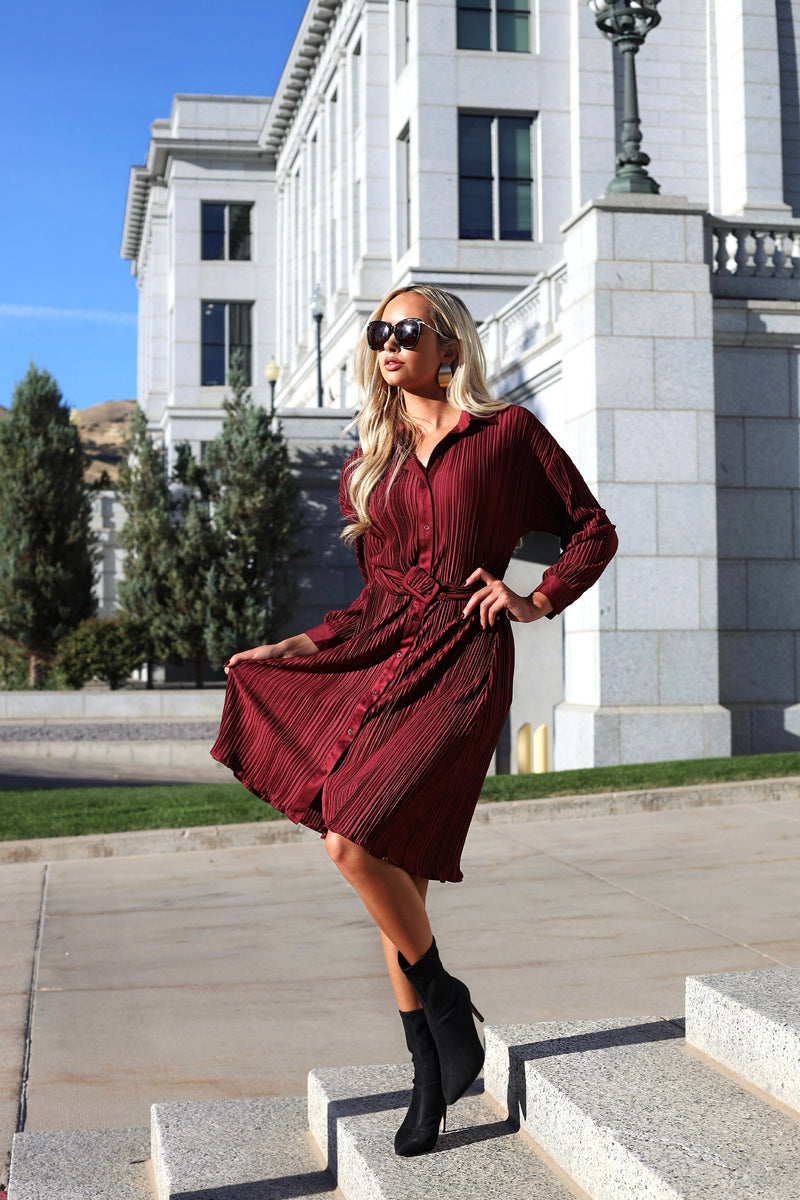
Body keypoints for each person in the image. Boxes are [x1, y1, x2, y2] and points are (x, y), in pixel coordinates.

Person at [211, 284, 617, 1157]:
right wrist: (296, 644)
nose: (388, 344)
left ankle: (446, 1004)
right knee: (394, 876)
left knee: (351, 838)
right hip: (387, 654)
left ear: (449, 347)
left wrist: (535, 598)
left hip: (465, 664)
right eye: (378, 333)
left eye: (407, 330)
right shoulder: (377, 457)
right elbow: (373, 598)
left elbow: (592, 530)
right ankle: (430, 1070)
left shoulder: (507, 436)